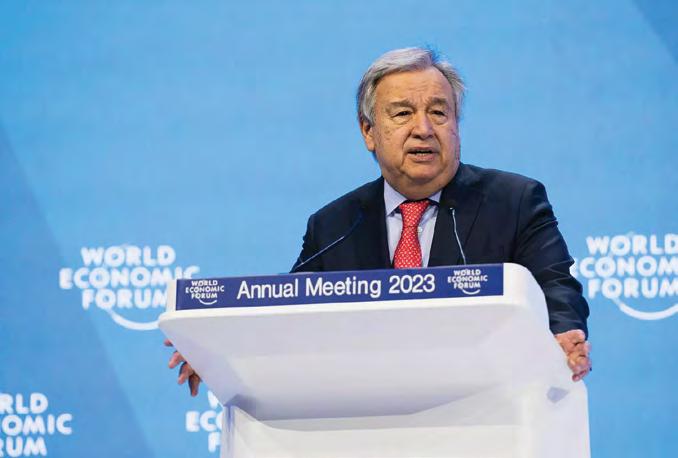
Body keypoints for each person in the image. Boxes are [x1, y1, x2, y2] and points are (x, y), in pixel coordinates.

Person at [168, 47, 592, 396]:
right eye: (403, 113)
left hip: (488, 413)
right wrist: (221, 351)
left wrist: (563, 333)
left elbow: (555, 285)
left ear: (456, 125)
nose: (424, 129)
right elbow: (289, 315)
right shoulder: (334, 226)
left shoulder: (513, 201)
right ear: (368, 131)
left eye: (439, 113)